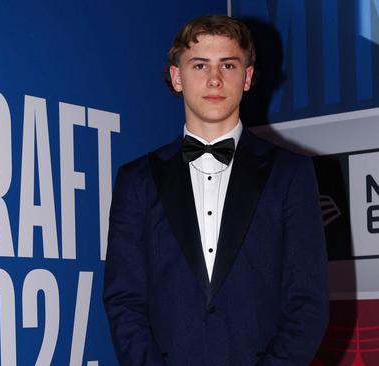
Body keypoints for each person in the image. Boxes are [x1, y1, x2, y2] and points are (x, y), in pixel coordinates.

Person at [103, 15, 328, 365]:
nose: (214, 79)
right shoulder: (137, 181)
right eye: (199, 65)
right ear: (177, 77)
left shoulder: (291, 173)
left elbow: (308, 303)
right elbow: (123, 300)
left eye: (228, 64)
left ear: (247, 77)